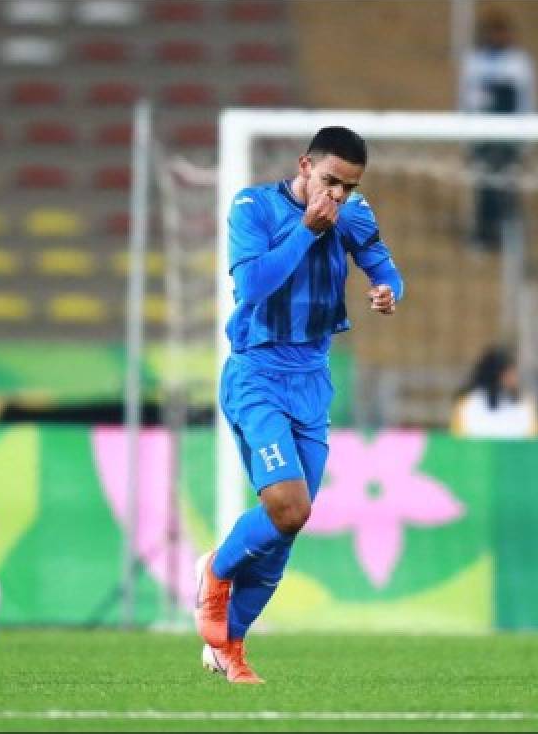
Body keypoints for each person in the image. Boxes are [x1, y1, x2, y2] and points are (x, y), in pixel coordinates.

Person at [196, 127, 403, 684]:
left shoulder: (354, 215)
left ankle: (229, 648)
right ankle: (214, 571)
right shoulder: (253, 208)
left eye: (349, 187)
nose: (337, 196)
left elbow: (385, 269)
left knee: (290, 524)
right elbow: (255, 285)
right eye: (330, 181)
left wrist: (387, 291)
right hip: (258, 372)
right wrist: (306, 234)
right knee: (288, 506)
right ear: (304, 165)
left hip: (312, 379)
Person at [458, 10, 537, 251]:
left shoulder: (519, 63)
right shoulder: (474, 61)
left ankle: (510, 235)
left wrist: (526, 138)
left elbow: (528, 100)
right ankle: (484, 235)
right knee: (484, 186)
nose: (496, 37)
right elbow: (466, 99)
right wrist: (467, 135)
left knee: (509, 187)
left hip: (510, 135)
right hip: (484, 133)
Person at [451, 346, 538, 438]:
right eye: (508, 374)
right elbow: (459, 444)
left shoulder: (525, 405)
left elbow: (535, 442)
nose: (514, 379)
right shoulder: (467, 405)